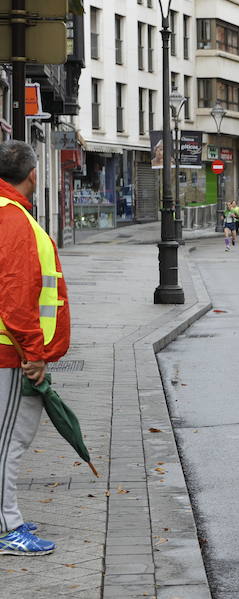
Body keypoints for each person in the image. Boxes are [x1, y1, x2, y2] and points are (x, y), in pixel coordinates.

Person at [0, 140, 72, 556]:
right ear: (32, 175)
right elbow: (15, 293)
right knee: (10, 441)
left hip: (9, 349)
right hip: (10, 353)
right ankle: (7, 527)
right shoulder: (14, 219)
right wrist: (34, 353)